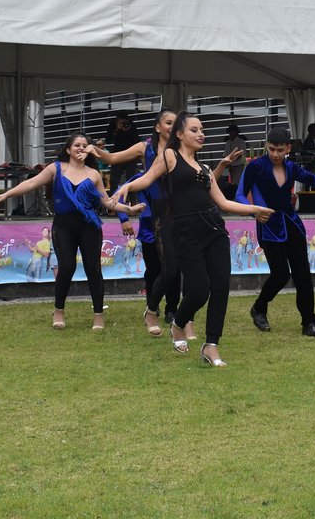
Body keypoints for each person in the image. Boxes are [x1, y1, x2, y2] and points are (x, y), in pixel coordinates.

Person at [117, 112, 273, 366]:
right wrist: (126, 188)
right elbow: (146, 178)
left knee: (221, 287)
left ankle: (211, 345)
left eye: (202, 130)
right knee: (199, 291)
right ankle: (178, 323)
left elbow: (223, 202)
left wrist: (255, 210)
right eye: (194, 130)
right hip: (185, 232)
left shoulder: (206, 169)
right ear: (179, 134)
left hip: (214, 230)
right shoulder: (169, 156)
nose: (201, 134)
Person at [0, 133, 144, 331]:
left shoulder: (93, 174)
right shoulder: (56, 169)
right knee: (67, 266)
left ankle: (98, 314)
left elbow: (107, 202)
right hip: (63, 227)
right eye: (77, 145)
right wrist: (6, 194)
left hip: (89, 227)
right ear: (68, 149)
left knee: (93, 268)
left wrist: (129, 210)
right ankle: (59, 310)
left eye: (85, 145)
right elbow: (31, 183)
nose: (81, 148)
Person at [91, 108, 181, 336]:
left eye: (175, 122)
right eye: (168, 122)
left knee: (175, 265)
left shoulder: (182, 147)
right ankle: (153, 305)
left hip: (178, 212)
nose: (172, 126)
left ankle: (173, 309)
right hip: (152, 215)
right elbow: (113, 159)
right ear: (158, 126)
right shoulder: (146, 147)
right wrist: (95, 149)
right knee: (155, 266)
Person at [240, 127, 315, 337]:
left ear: (288, 148)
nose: (274, 154)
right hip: (269, 225)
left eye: (279, 150)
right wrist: (255, 212)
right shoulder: (255, 167)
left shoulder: (292, 167)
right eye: (271, 149)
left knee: (303, 275)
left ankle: (309, 322)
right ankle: (259, 307)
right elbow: (239, 195)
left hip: (292, 224)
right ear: (266, 146)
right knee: (280, 274)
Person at [105, 112, 141, 188]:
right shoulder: (113, 125)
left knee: (131, 179)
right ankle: (113, 196)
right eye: (120, 121)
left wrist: (128, 131)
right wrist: (117, 129)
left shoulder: (131, 125)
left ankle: (132, 198)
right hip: (118, 154)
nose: (123, 123)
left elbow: (137, 141)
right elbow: (108, 140)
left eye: (124, 121)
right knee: (114, 180)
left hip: (131, 155)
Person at [222, 123, 248, 188]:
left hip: (239, 166)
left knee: (239, 183)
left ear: (236, 132)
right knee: (232, 184)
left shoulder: (241, 141)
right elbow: (225, 154)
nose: (231, 133)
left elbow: (242, 153)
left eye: (233, 131)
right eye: (230, 132)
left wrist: (232, 161)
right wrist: (227, 164)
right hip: (230, 167)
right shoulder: (228, 143)